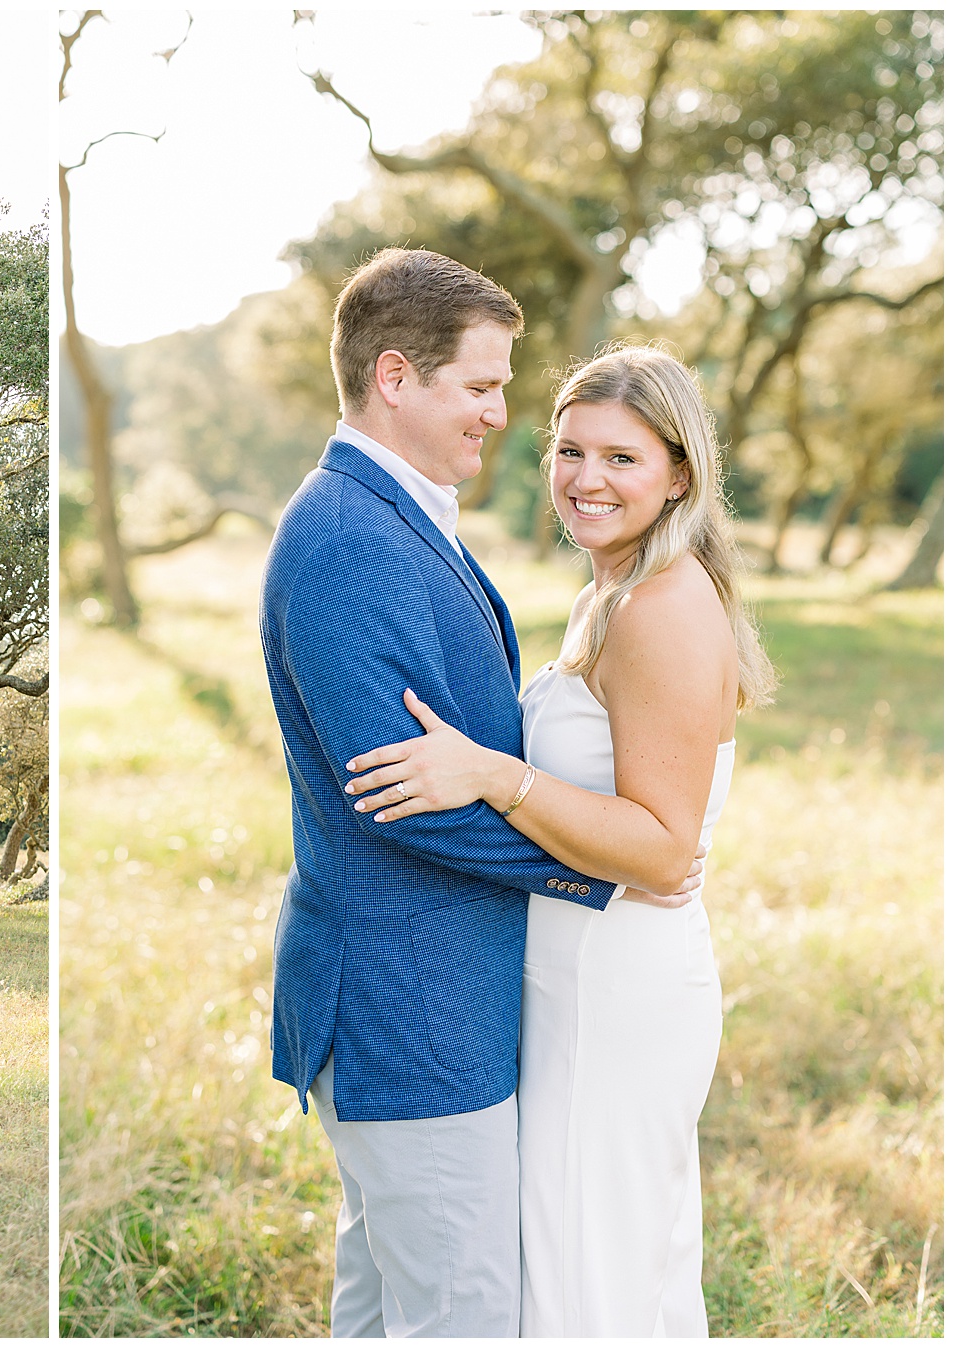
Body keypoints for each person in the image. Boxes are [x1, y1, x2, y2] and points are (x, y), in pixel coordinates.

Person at [259, 248, 699, 1337]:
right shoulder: (347, 541)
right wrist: (612, 861)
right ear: (397, 376)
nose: (504, 415)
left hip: (453, 998)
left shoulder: (396, 515)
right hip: (411, 1011)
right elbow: (401, 793)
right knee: (463, 1318)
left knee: (389, 1310)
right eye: (484, 385)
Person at [344, 344, 774, 1335]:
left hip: (615, 994)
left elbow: (664, 850)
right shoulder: (613, 593)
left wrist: (499, 776)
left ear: (679, 473)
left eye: (622, 459)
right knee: (609, 1268)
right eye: (571, 451)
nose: (587, 478)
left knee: (592, 1282)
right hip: (573, 975)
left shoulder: (663, 609)